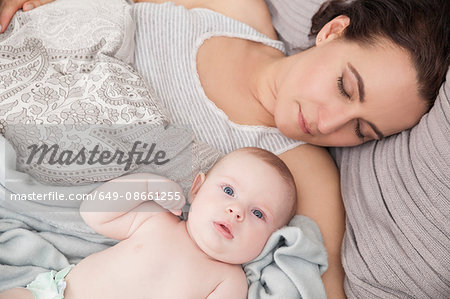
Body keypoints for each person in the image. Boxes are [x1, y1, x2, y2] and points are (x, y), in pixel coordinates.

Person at [0, 0, 448, 297]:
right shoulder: (233, 6)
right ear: (332, 31)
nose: (329, 123)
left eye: (362, 130)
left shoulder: (303, 174)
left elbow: (319, 287)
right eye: (345, 88)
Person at [0, 147, 298, 299]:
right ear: (196, 189)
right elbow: (94, 212)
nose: (236, 211)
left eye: (258, 214)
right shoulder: (157, 219)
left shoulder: (229, 280)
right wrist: (147, 187)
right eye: (229, 191)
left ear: (271, 239)